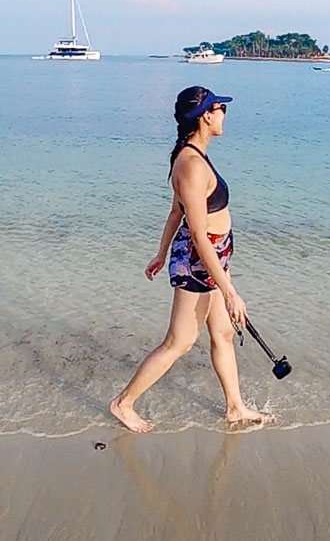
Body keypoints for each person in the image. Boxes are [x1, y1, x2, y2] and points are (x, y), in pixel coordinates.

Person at [110, 86, 271, 433]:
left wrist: (160, 252)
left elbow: (174, 212)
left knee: (224, 333)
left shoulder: (191, 153)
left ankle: (235, 408)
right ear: (205, 117)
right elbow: (198, 236)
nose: (224, 113)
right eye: (219, 108)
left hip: (212, 256)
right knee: (179, 342)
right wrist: (230, 291)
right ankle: (123, 404)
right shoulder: (192, 164)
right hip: (200, 260)